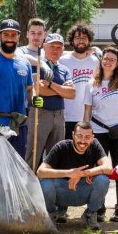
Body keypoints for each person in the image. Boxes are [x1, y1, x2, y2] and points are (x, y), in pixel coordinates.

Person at [83, 46, 118, 223]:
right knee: (101, 170)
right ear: (101, 60)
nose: (108, 62)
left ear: (117, 63)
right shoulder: (92, 84)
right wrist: (85, 131)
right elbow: (87, 111)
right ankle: (99, 207)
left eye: (112, 60)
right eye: (105, 59)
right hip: (99, 132)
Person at [36, 122, 112, 231]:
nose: (83, 141)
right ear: (73, 135)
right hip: (61, 191)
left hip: (82, 190)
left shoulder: (95, 145)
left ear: (92, 138)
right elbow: (40, 172)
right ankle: (51, 215)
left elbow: (109, 168)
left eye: (87, 137)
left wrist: (84, 173)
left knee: (103, 180)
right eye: (79, 136)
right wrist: (69, 173)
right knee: (45, 182)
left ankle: (90, 214)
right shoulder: (62, 146)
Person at [0, 19, 34, 167]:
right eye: (6, 34)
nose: (9, 38)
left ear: (18, 37)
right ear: (0, 36)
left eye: (13, 34)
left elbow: (29, 90)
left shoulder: (25, 64)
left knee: (17, 168)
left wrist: (34, 100)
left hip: (19, 125)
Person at [25, 33, 75, 170]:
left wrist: (51, 85)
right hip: (40, 114)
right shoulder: (36, 66)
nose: (55, 50)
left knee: (56, 156)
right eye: (52, 46)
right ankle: (29, 189)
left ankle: (50, 189)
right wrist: (62, 90)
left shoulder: (64, 70)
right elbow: (39, 90)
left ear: (63, 50)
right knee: (33, 155)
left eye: (59, 47)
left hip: (59, 115)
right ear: (44, 47)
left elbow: (71, 93)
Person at [59, 24, 99, 140]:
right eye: (77, 37)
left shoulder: (95, 61)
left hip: (88, 117)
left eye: (84, 38)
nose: (81, 40)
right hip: (66, 116)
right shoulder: (63, 61)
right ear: (72, 41)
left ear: (89, 40)